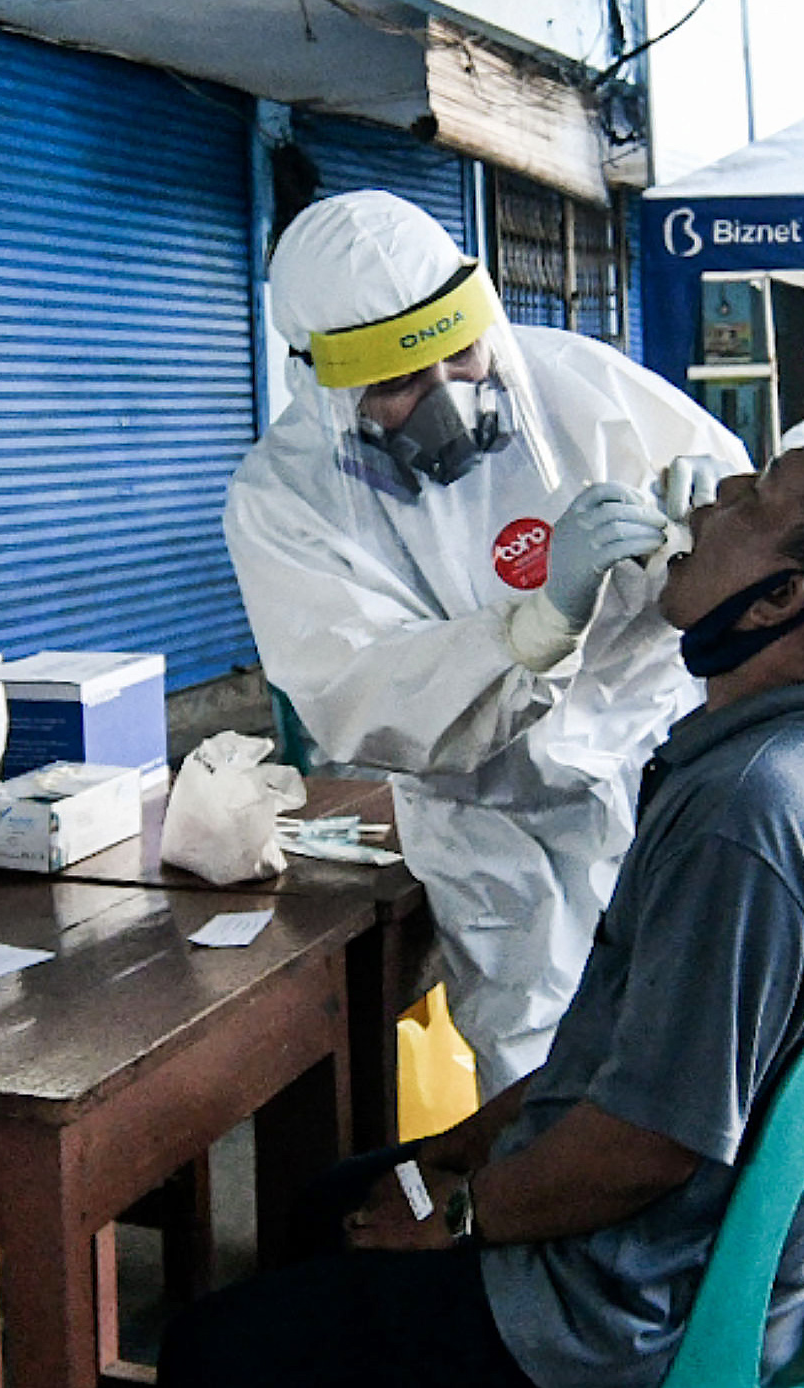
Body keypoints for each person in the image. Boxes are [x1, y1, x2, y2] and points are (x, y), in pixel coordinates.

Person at [161, 404, 804, 1388]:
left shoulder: (746, 814)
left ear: (777, 601)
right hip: (656, 1248)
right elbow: (619, 1060)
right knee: (338, 1199)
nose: (718, 492)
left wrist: (462, 1212)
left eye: (757, 494)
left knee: (212, 1346)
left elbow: (646, 1148)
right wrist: (462, 1145)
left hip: (607, 1312)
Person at [225, 191, 746, 1092]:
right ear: (324, 386)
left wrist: (716, 508)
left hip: (659, 769)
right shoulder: (284, 501)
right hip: (494, 831)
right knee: (541, 1075)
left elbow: (750, 539)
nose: (451, 400)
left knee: (713, 1043)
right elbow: (359, 695)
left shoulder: (580, 385)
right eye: (399, 383)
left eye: (460, 354)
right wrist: (534, 629)